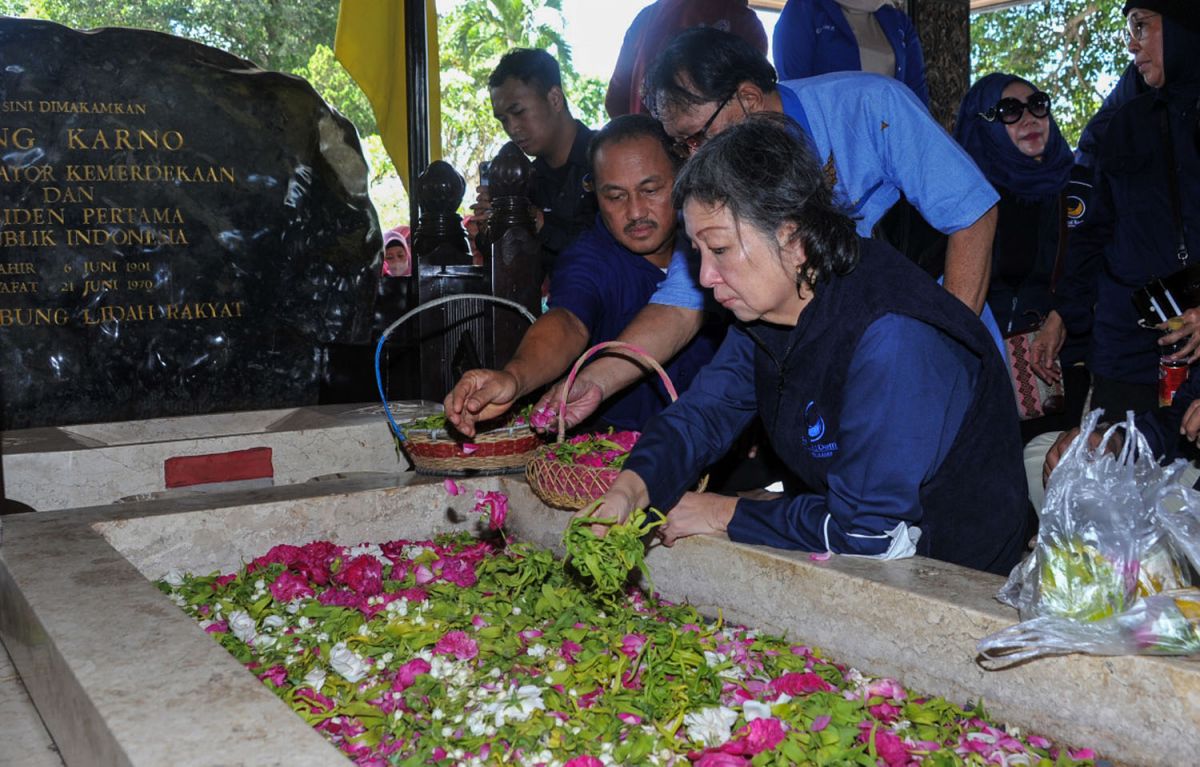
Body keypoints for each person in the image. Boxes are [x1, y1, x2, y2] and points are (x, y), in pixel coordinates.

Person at [591, 115, 1029, 575]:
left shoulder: (891, 337)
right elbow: (702, 414)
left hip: (954, 575)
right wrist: (632, 487)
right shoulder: (769, 306)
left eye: (719, 250)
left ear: (794, 239)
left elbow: (866, 534)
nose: (705, 278)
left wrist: (721, 512)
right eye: (698, 253)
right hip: (858, 535)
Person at [535, 27, 1000, 428]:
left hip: (934, 319)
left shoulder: (867, 105)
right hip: (839, 352)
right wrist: (592, 381)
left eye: (698, 136)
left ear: (749, 99)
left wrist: (945, 346)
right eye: (681, 146)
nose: (694, 158)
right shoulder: (722, 176)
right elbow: (678, 307)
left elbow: (971, 213)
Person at [444, 115, 722, 437]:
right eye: (615, 196)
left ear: (682, 178)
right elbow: (568, 322)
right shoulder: (591, 256)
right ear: (594, 194)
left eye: (650, 190)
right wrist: (514, 378)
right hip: (619, 457)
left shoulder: (716, 244)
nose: (635, 212)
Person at [1031, 2, 1200, 419]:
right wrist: (1063, 314)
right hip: (1125, 351)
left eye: (1141, 27)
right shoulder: (1126, 123)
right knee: (1117, 465)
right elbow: (1093, 233)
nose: (1131, 44)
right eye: (1130, 28)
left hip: (1195, 350)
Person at [953, 73, 1089, 442]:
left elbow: (1098, 268)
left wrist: (1063, 314)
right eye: (1009, 111)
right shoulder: (962, 199)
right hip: (976, 376)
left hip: (1059, 373)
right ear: (983, 123)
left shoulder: (1079, 186)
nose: (1029, 119)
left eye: (1038, 105)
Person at [471, 49, 597, 282]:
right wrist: (493, 232)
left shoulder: (607, 160)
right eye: (503, 120)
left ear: (555, 99)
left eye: (518, 112)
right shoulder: (529, 182)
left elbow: (615, 247)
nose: (512, 128)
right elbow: (519, 278)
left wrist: (538, 222)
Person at [605, 0, 767, 119]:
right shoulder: (745, 23)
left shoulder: (646, 18)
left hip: (646, 151)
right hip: (713, 154)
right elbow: (752, 103)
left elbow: (616, 101)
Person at [772, 0, 928, 105]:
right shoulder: (804, 8)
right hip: (828, 139)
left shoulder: (897, 19)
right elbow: (794, 88)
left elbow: (916, 95)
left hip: (889, 136)